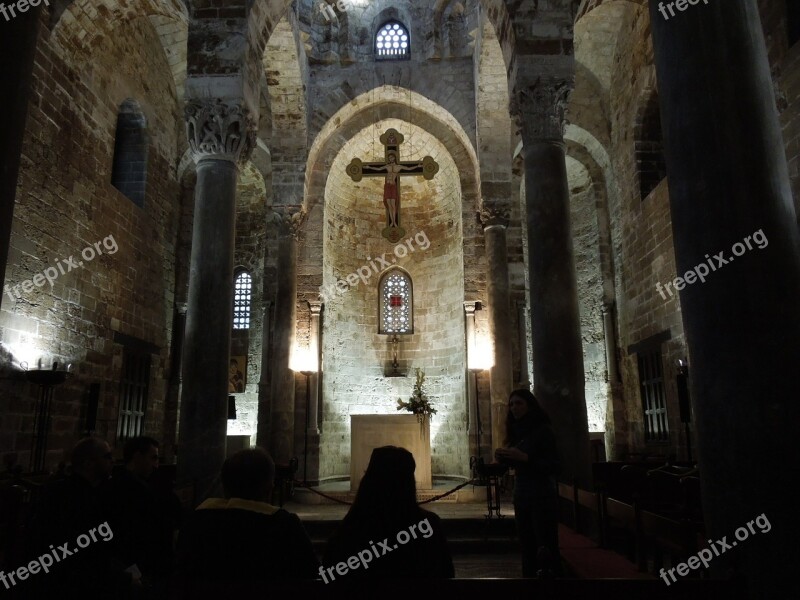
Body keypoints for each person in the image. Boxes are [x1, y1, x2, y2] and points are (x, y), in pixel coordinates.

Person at [175, 448, 318, 585]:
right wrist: (340, 569)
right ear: (269, 487)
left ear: (224, 487)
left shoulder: (196, 523)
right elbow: (317, 575)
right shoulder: (284, 526)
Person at [25, 437, 137, 599]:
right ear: (88, 463)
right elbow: (87, 557)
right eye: (107, 457)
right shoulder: (78, 500)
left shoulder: (73, 492)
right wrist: (124, 578)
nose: (113, 461)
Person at [323, 446, 454, 581]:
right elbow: (447, 573)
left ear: (369, 480)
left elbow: (329, 571)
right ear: (408, 483)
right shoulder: (428, 526)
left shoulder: (349, 532)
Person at [494, 389, 562, 578]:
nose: (514, 407)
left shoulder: (543, 430)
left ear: (530, 405)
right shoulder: (517, 431)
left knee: (545, 543)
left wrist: (525, 457)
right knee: (526, 543)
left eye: (519, 403)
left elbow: (554, 465)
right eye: (511, 404)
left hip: (541, 493)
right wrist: (504, 458)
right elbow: (520, 461)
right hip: (522, 491)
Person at [100, 436, 176, 599]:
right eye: (153, 458)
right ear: (137, 457)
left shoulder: (122, 484)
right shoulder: (133, 490)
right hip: (136, 570)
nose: (157, 465)